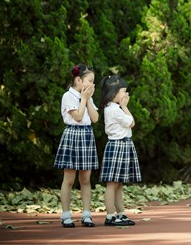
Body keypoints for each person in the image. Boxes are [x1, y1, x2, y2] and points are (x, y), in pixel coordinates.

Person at [53, 63, 99, 228]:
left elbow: (95, 119)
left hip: (87, 135)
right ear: (79, 80)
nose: (93, 85)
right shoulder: (68, 96)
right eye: (90, 80)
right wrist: (84, 99)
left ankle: (86, 214)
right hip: (73, 135)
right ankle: (66, 215)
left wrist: (87, 100)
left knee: (85, 179)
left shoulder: (87, 97)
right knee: (69, 179)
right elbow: (78, 117)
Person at [99, 75, 142, 226]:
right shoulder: (114, 110)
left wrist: (122, 107)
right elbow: (131, 122)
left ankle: (120, 213)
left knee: (119, 184)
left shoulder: (114, 108)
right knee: (112, 184)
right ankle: (110, 216)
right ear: (114, 93)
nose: (126, 95)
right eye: (124, 91)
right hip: (117, 146)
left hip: (123, 146)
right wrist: (125, 107)